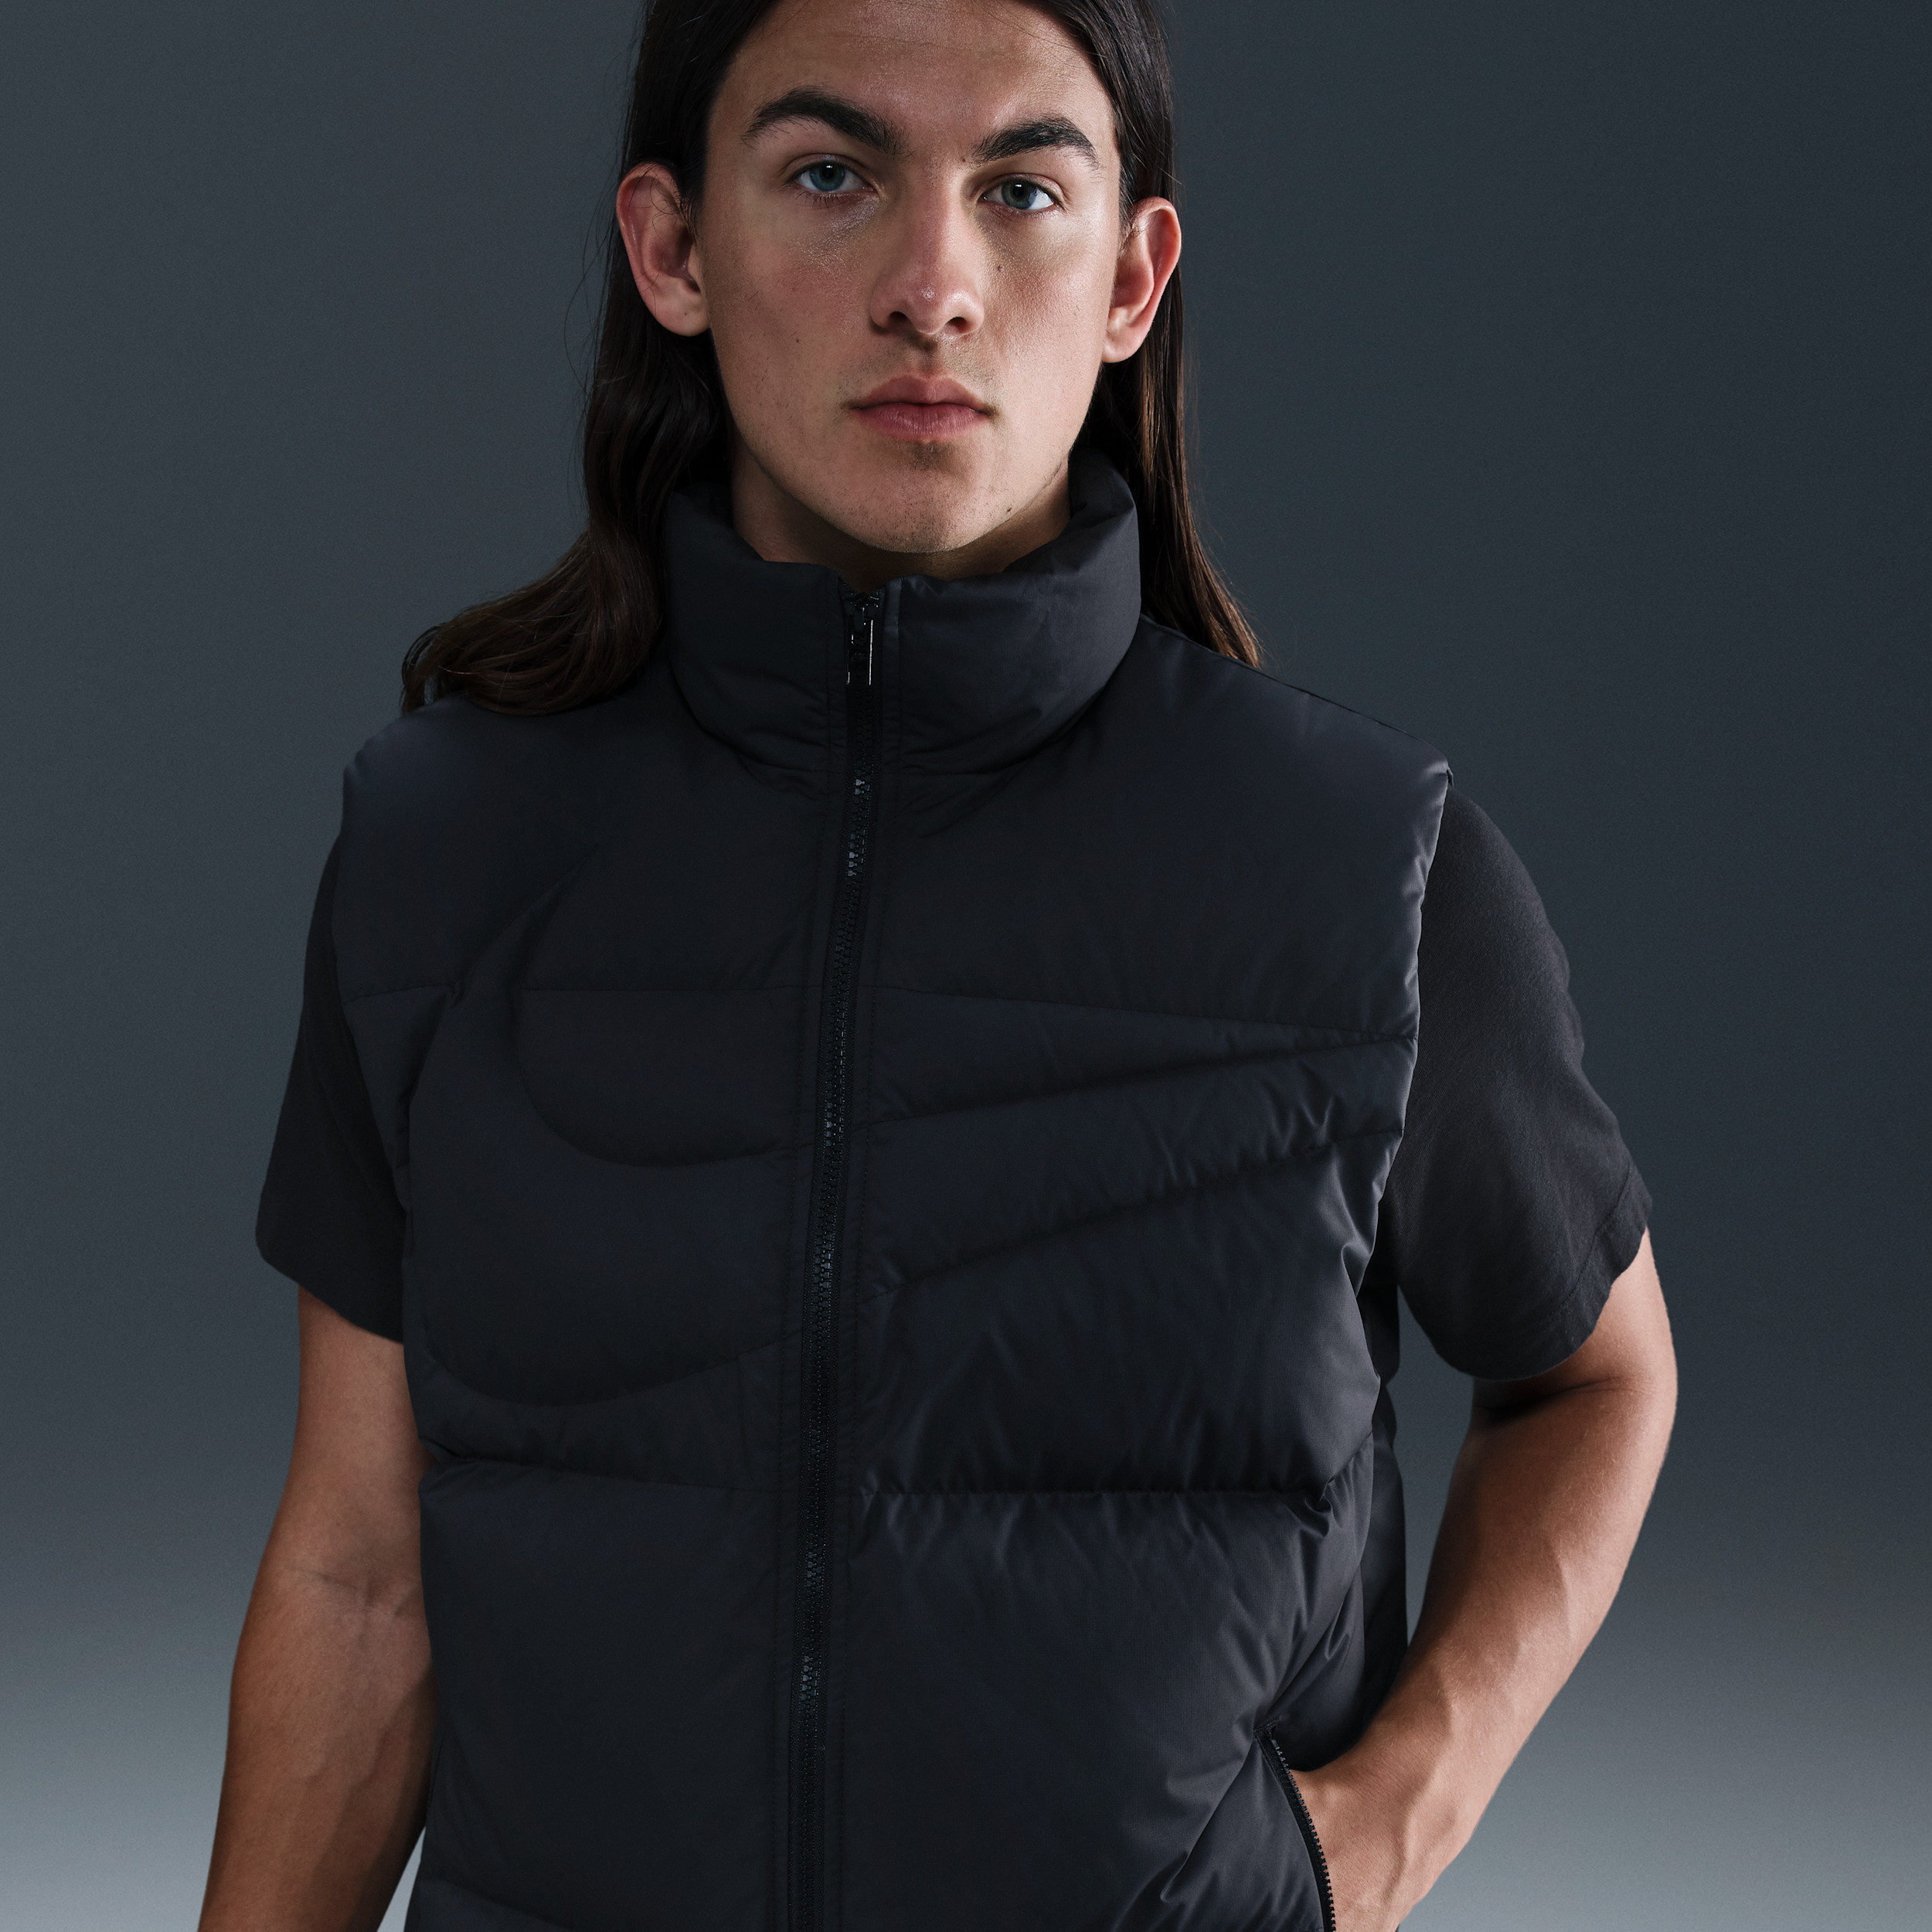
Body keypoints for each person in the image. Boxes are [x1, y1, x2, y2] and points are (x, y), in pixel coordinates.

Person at [200, 2, 1678, 1928]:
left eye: (1020, 189)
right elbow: (360, 1573)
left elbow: (1593, 1376)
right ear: (672, 248)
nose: (932, 285)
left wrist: (1393, 1814)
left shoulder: (1364, 871)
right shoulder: (445, 853)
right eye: (831, 176)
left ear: (1130, 274)